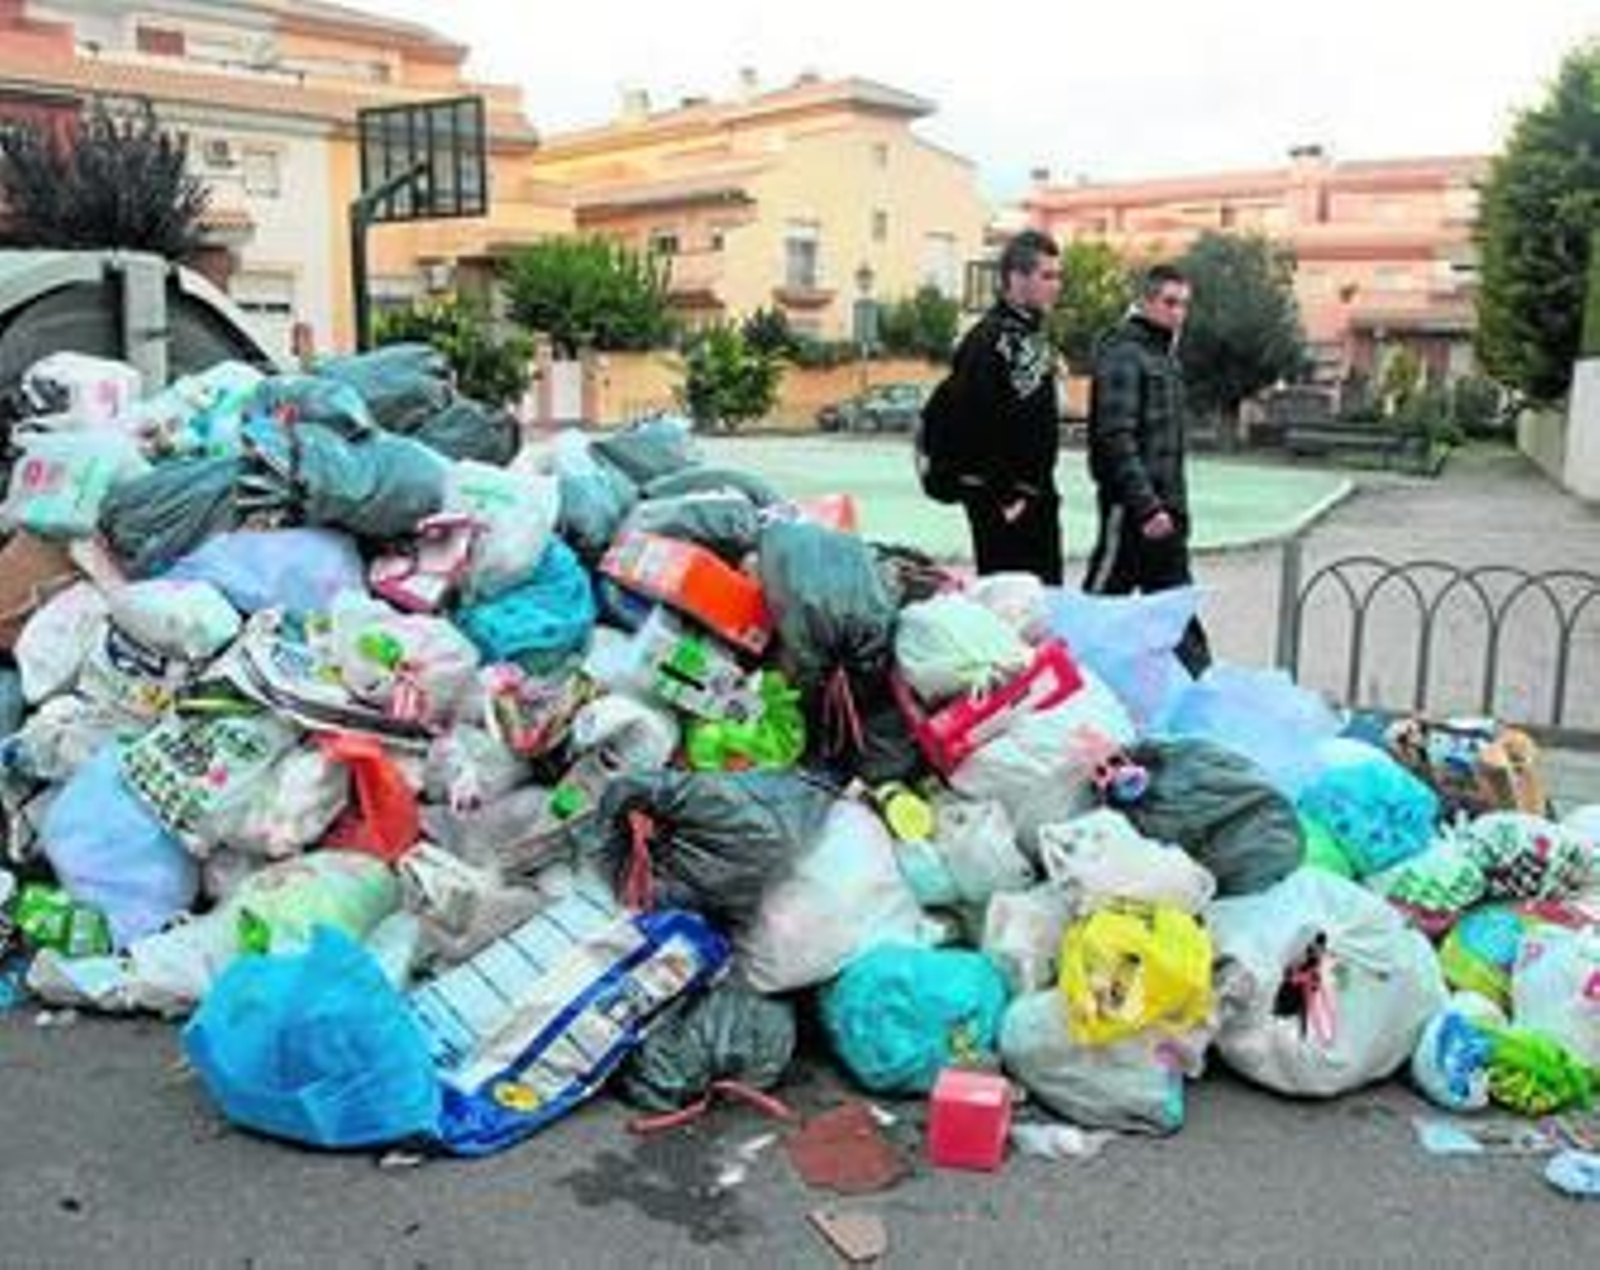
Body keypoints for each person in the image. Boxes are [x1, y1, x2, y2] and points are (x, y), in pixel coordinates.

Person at [1083, 262, 1212, 674]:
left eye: (1184, 305)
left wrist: (1171, 511)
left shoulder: (1164, 358)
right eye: (1170, 303)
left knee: (1178, 617)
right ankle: (1067, 687)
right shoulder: (1123, 353)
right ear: (1145, 302)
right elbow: (1115, 437)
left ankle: (1204, 691)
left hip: (1167, 514)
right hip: (1133, 513)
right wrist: (1146, 507)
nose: (1178, 313)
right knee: (1097, 614)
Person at [941, 229, 1065, 584]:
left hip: (1034, 499)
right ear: (1015, 278)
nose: (1056, 286)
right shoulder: (987, 340)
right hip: (1007, 504)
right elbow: (971, 424)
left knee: (1042, 603)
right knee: (1012, 606)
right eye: (1046, 276)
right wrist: (1008, 496)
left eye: (1058, 276)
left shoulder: (1029, 335)